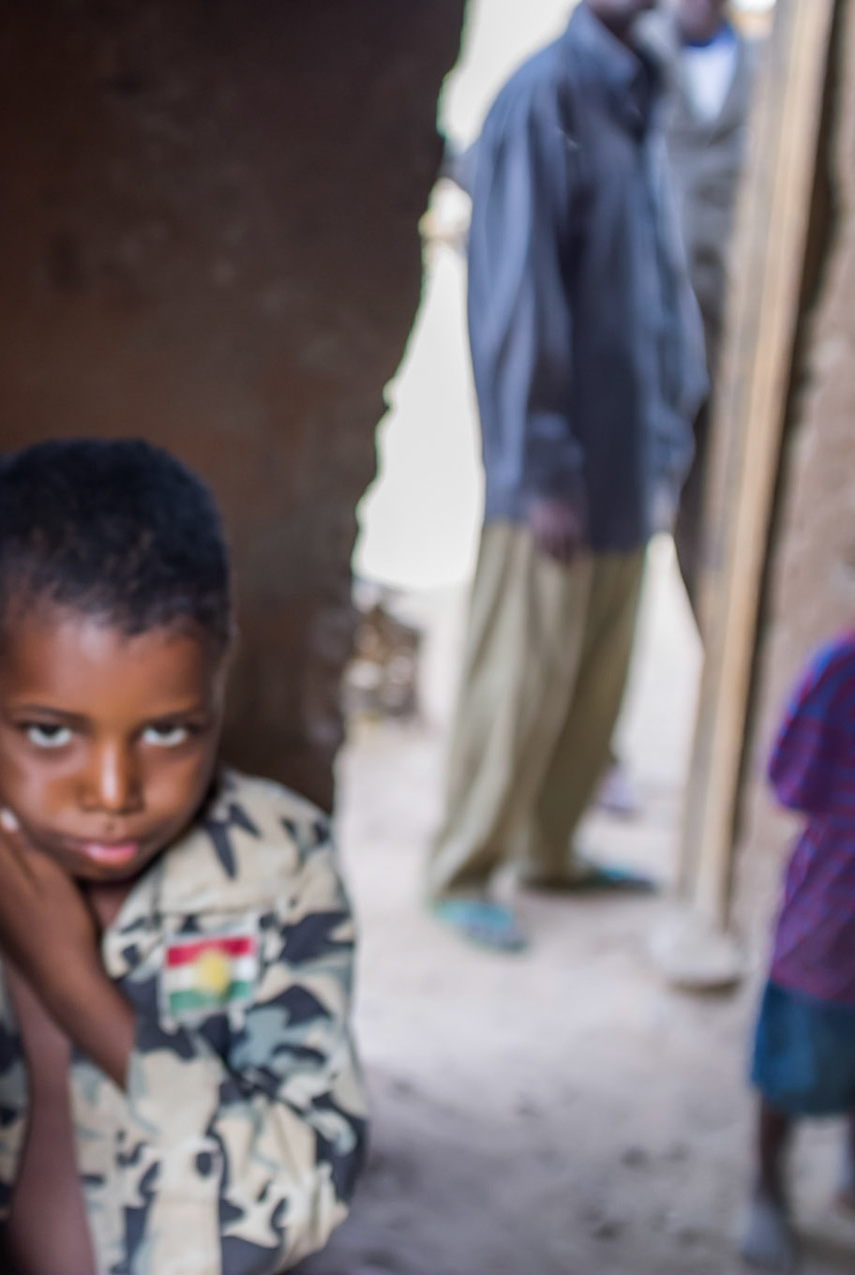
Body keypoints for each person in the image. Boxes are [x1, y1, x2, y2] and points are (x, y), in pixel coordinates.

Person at [0, 440, 366, 1275]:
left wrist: (79, 993)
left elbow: (306, 1194)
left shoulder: (279, 874)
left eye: (168, 730)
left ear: (221, 676)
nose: (114, 790)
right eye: (50, 732)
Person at [427, 0, 707, 951]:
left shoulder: (636, 89)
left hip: (629, 457)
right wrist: (543, 467)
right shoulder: (545, 97)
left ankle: (553, 846)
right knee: (520, 674)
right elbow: (517, 300)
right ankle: (466, 864)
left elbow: (654, 287)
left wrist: (669, 427)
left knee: (595, 679)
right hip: (560, 472)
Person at [737, 631, 855, 1273]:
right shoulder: (840, 669)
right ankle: (766, 1189)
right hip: (831, 909)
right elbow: (789, 780)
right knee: (792, 1056)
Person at [657, 0, 759, 618]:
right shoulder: (634, 63)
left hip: (740, 340)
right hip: (660, 339)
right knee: (683, 506)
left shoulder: (764, 69)